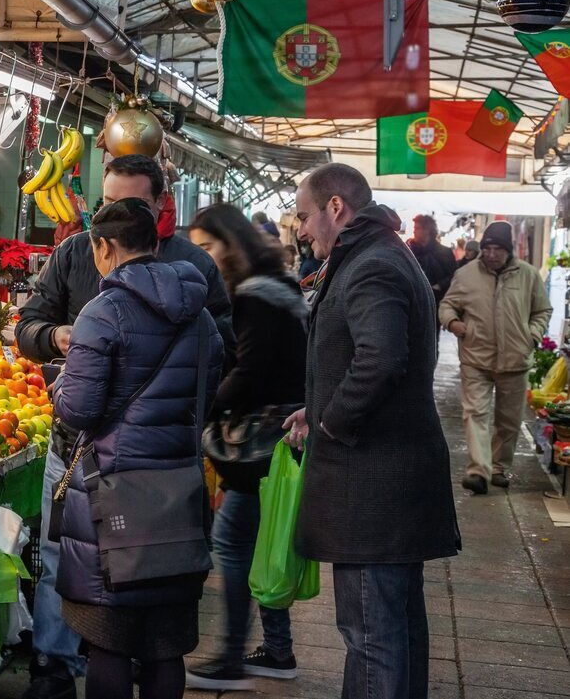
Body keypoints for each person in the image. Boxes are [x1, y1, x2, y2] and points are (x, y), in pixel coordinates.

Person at [14, 154, 232, 699]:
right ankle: (53, 667)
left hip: (104, 473)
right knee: (163, 635)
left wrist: (60, 378)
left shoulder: (106, 309)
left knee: (107, 629)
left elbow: (79, 409)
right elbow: (214, 373)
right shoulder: (195, 300)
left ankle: (68, 668)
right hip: (173, 474)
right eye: (109, 201)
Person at [285, 163, 458, 699]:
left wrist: (332, 422)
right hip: (391, 477)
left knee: (370, 634)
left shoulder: (371, 264)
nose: (300, 228)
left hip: (372, 483)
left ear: (336, 208)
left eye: (304, 215)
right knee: (397, 626)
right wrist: (316, 409)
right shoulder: (379, 253)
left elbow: (381, 358)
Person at [185, 204, 306, 691]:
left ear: (230, 245)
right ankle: (276, 649)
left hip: (261, 443)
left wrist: (202, 410)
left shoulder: (254, 295)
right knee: (262, 543)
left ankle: (232, 657)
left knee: (233, 544)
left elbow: (250, 372)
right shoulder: (283, 285)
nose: (202, 258)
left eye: (206, 248)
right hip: (284, 436)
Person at [440, 222, 551, 494]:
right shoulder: (466, 275)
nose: (490, 254)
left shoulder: (528, 275)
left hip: (515, 359)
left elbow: (542, 311)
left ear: (508, 250)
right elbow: (447, 304)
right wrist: (452, 322)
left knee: (508, 420)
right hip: (476, 357)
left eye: (497, 249)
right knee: (474, 413)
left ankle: (499, 467)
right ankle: (478, 471)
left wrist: (532, 336)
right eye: (486, 248)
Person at [408, 214, 457, 305]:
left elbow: (454, 275)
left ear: (427, 230)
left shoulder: (444, 252)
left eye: (417, 228)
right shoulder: (410, 251)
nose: (414, 231)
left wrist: (440, 285)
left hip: (437, 301)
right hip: (414, 301)